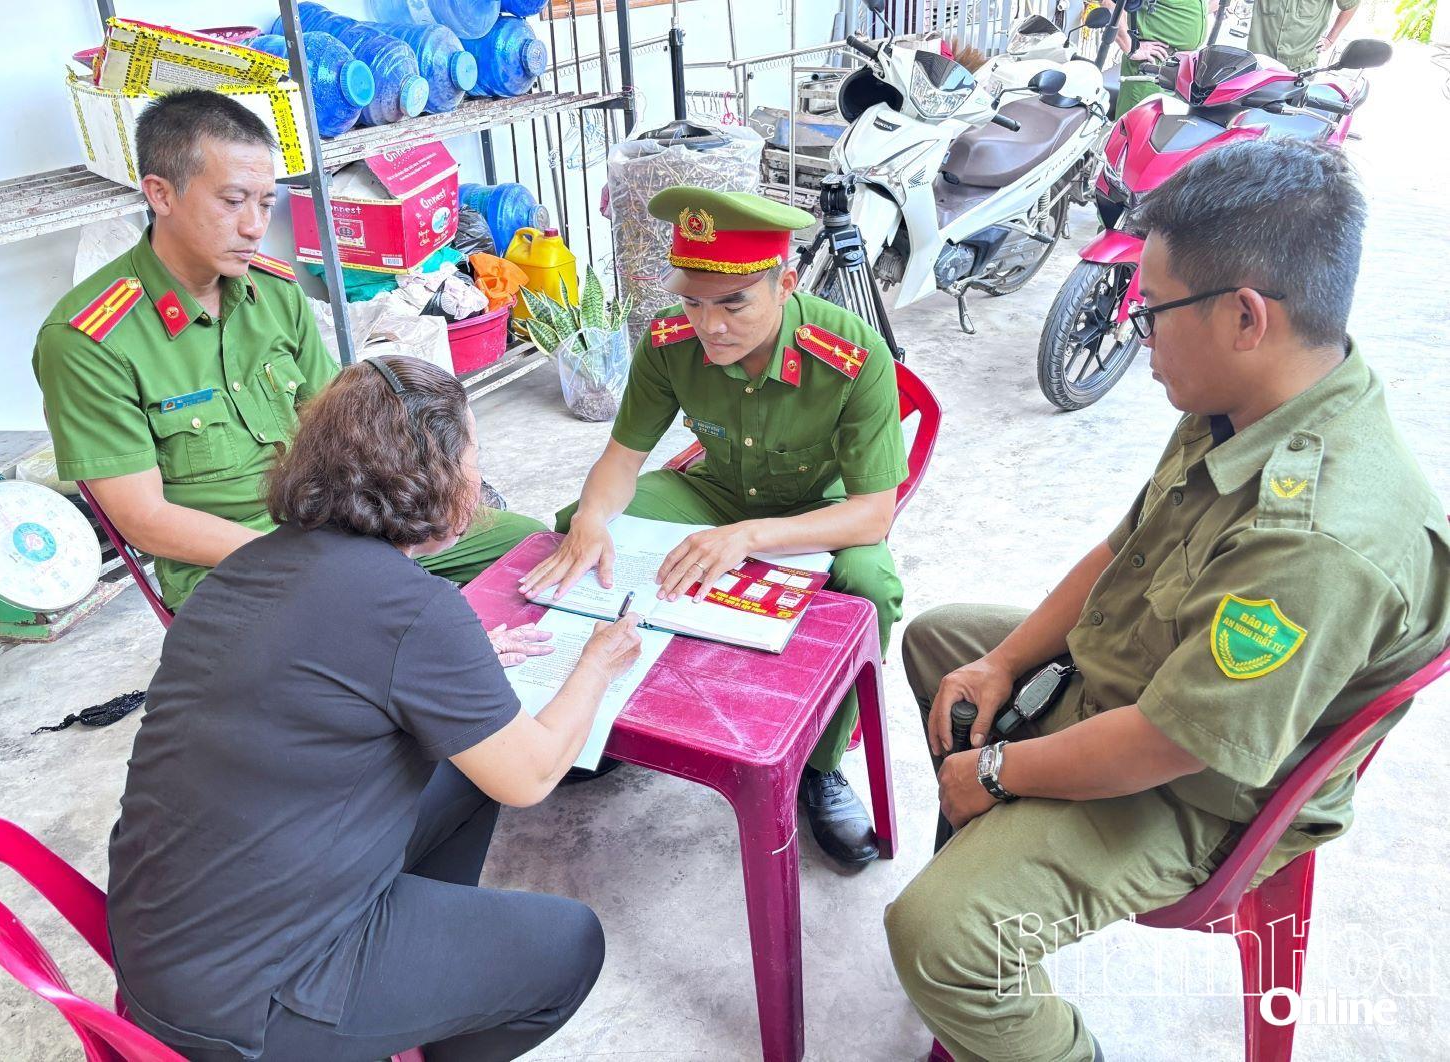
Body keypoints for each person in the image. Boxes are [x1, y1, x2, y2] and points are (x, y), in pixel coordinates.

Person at [884, 139, 1450, 1061]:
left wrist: (991, 776)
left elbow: (1173, 743)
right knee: (947, 648)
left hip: (1207, 784)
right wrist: (1001, 664)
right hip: (1161, 686)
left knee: (935, 938)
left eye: (1150, 311)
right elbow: (1125, 550)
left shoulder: (1315, 541)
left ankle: (1006, 991)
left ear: (1244, 316)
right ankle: (991, 915)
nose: (1134, 336)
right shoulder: (1251, 394)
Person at [107, 355, 643, 1062]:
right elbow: (533, 775)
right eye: (474, 455)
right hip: (262, 1006)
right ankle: (396, 1021)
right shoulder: (413, 609)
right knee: (572, 943)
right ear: (433, 475)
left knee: (462, 773)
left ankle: (410, 981)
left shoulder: (246, 566)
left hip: (164, 950)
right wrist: (597, 664)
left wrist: (449, 669)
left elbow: (327, 668)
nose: (480, 477)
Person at [31, 88, 543, 611]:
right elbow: (145, 520)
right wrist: (324, 563)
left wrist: (426, 499)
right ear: (161, 194)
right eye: (233, 202)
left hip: (337, 526)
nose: (255, 227)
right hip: (232, 566)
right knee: (382, 624)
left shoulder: (275, 293)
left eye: (266, 203)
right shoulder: (87, 341)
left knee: (533, 549)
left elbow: (347, 430)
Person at [519, 187, 908, 867]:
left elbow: (873, 512)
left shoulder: (853, 356)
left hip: (815, 511)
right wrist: (588, 516)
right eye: (693, 301)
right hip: (715, 492)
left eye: (733, 304)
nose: (710, 325)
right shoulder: (671, 344)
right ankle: (609, 716)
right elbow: (621, 460)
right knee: (582, 535)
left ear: (785, 284)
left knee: (869, 581)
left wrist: (749, 537)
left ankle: (820, 767)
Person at [1108, 0, 1210, 115]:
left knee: (1167, 128)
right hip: (1152, 67)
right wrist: (1130, 46)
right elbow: (1110, 3)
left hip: (1180, 67)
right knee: (1141, 128)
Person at [1249, 0, 1358, 71]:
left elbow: (1351, 5)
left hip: (1301, 66)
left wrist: (1330, 39)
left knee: (1292, 106)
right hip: (1258, 63)